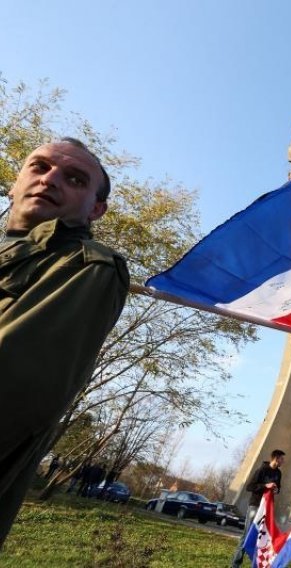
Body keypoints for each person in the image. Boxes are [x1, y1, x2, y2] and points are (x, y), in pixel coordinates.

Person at [0, 138, 129, 548]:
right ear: (13, 184)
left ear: (95, 209)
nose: (50, 178)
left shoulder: (85, 266)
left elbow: (13, 385)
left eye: (74, 178)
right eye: (39, 167)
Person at [231, 449, 285, 567]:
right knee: (247, 534)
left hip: (267, 508)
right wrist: (265, 485)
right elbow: (250, 487)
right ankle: (235, 564)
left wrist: (276, 490)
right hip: (255, 506)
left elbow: (278, 488)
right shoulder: (262, 470)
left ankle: (256, 563)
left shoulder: (278, 473)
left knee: (261, 537)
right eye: (282, 459)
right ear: (276, 458)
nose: (283, 461)